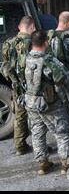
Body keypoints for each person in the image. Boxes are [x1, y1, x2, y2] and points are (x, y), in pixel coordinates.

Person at [24, 30, 69, 175]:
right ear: (46, 42)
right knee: (62, 131)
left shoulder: (24, 59)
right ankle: (66, 165)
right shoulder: (49, 61)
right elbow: (65, 78)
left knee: (37, 132)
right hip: (50, 103)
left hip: (31, 101)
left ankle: (43, 164)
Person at [1, 16, 35, 155]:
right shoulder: (33, 42)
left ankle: (20, 146)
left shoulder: (7, 43)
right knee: (38, 117)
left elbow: (6, 64)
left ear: (19, 27)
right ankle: (41, 148)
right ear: (32, 27)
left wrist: (13, 80)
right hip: (32, 85)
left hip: (16, 84)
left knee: (19, 115)